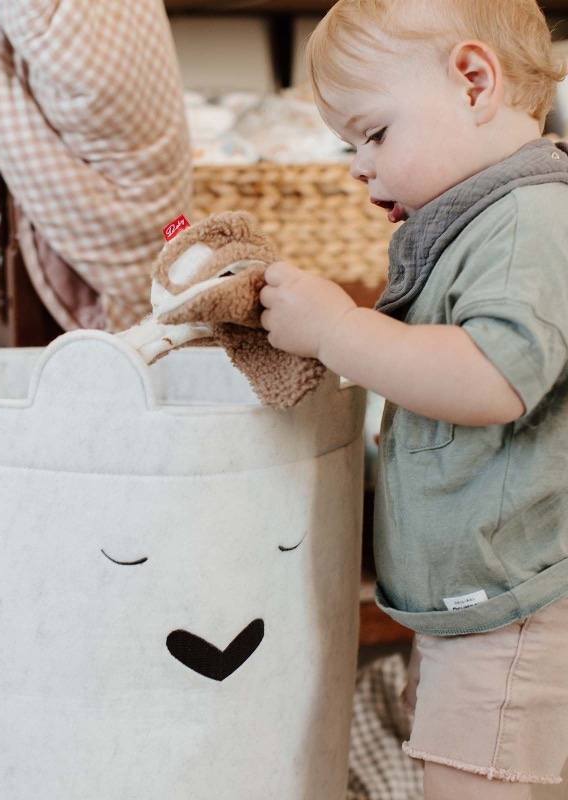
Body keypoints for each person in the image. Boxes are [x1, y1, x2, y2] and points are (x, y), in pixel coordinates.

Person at [259, 1, 568, 798]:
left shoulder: (527, 220)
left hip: (514, 600)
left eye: (376, 133)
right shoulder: (477, 222)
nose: (358, 166)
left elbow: (491, 377)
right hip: (483, 597)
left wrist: (338, 329)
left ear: (474, 83)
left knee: (474, 780)